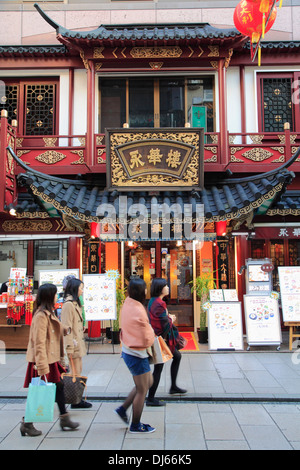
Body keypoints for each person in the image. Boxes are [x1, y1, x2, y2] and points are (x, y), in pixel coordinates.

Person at [21, 283, 79, 436]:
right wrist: (41, 366)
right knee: (39, 391)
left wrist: (67, 330)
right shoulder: (40, 316)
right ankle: (27, 423)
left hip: (50, 358)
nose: (56, 296)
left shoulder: (49, 313)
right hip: (43, 360)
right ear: (49, 296)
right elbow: (38, 342)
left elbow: (57, 327)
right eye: (55, 294)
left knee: (58, 386)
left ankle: (64, 417)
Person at [115, 278, 156, 434]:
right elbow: (147, 336)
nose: (146, 291)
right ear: (140, 292)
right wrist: (153, 335)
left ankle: (123, 408)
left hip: (129, 349)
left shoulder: (128, 303)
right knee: (142, 389)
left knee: (148, 382)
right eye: (145, 289)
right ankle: (135, 424)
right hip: (136, 353)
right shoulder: (138, 309)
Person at [147, 278, 187, 407]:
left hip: (160, 338)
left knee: (177, 356)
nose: (168, 288)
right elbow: (161, 324)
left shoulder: (155, 301)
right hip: (160, 339)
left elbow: (159, 320)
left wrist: (168, 318)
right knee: (159, 367)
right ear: (160, 288)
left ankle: (173, 386)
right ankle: (151, 397)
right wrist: (171, 319)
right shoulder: (159, 303)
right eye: (165, 286)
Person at [61, 277, 92, 409]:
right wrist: (68, 348)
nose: (82, 291)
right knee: (74, 371)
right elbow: (66, 327)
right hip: (73, 343)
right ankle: (75, 399)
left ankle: (77, 397)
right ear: (74, 288)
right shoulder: (68, 305)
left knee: (78, 370)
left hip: (77, 342)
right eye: (81, 288)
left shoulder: (74, 303)